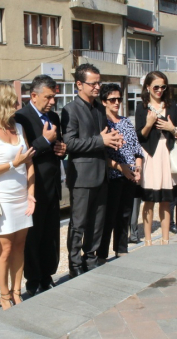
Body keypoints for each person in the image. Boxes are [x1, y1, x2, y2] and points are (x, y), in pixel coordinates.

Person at [0, 83, 36, 310]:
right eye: (12, 101)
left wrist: (31, 194)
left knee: (20, 245)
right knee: (5, 249)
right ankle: (3, 295)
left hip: (22, 196)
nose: (17, 105)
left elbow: (29, 163)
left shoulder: (19, 128)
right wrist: (13, 164)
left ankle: (16, 291)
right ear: (0, 103)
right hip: (3, 198)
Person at [61, 64, 123, 278]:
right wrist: (101, 140)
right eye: (93, 83)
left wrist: (113, 141)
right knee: (79, 224)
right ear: (79, 84)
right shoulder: (70, 110)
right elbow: (69, 143)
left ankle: (90, 257)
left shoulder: (99, 109)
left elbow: (103, 137)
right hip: (81, 176)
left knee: (97, 222)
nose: (98, 87)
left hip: (101, 173)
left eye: (99, 82)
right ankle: (75, 263)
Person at [14, 75, 66, 297]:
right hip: (33, 188)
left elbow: (58, 142)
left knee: (51, 235)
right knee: (33, 237)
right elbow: (21, 153)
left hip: (53, 186)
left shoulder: (54, 116)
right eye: (48, 97)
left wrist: (63, 149)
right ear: (33, 96)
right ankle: (33, 279)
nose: (52, 102)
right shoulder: (21, 118)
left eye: (54, 97)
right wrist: (44, 141)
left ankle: (48, 275)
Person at [135, 71, 177, 246]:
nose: (160, 90)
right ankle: (148, 241)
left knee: (165, 199)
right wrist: (148, 124)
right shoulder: (142, 108)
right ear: (148, 87)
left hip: (166, 153)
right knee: (148, 199)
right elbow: (139, 136)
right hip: (150, 154)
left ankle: (165, 240)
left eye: (163, 86)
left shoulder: (172, 106)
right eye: (156, 87)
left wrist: (172, 128)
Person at [97, 84, 143, 262]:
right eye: (112, 100)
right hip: (113, 176)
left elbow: (137, 149)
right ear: (104, 102)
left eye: (119, 99)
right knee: (109, 216)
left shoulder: (126, 121)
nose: (116, 103)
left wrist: (137, 168)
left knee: (125, 213)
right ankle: (102, 253)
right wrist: (120, 167)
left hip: (130, 175)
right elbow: (102, 155)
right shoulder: (103, 124)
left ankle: (121, 248)